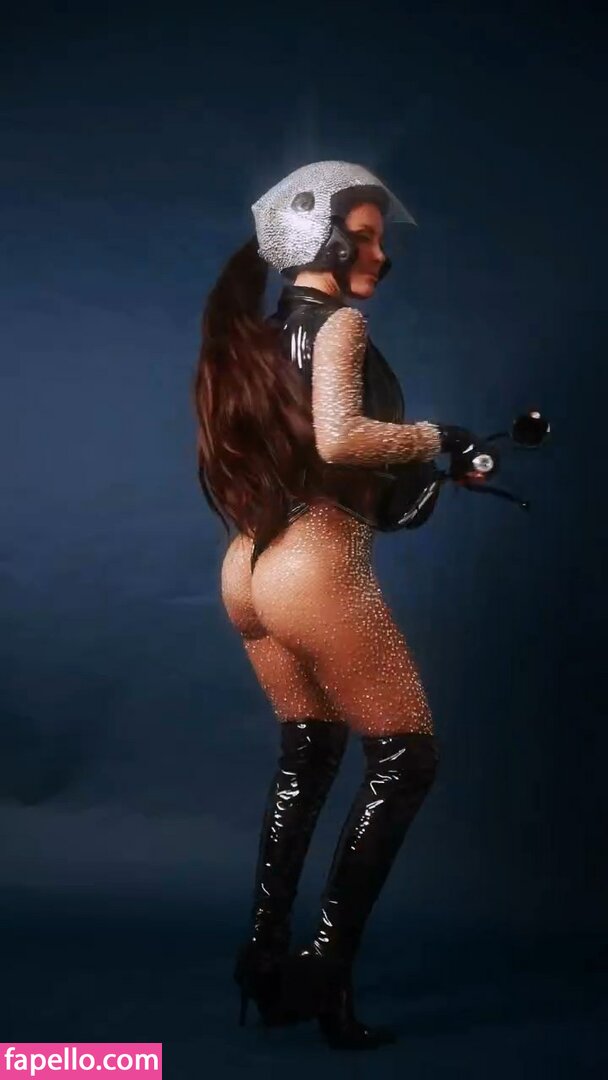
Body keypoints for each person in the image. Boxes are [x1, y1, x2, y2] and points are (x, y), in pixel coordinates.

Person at [193, 161, 489, 1050]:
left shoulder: (253, 335)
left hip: (247, 566)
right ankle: (324, 972)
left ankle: (263, 958)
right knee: (406, 760)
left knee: (309, 754)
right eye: (362, 236)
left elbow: (300, 451)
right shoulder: (341, 324)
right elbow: (339, 438)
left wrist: (427, 469)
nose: (378, 254)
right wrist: (442, 436)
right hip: (316, 565)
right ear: (319, 240)